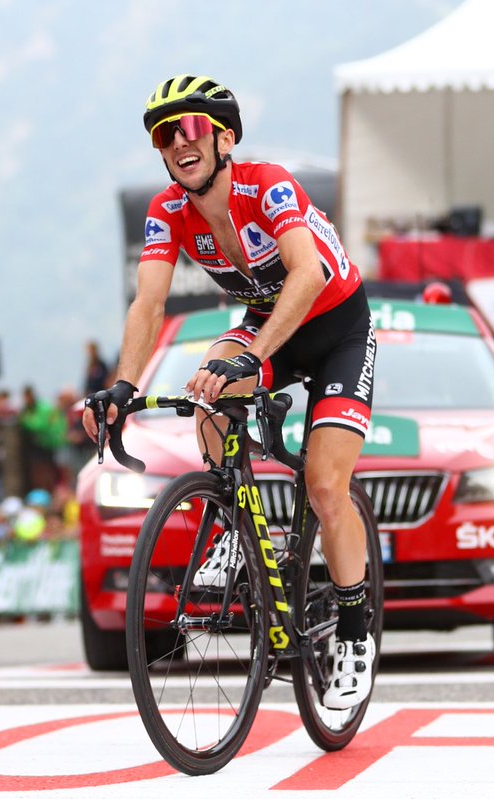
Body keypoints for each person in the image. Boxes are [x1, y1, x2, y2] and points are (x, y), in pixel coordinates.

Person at [83, 75, 377, 710]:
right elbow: (149, 302)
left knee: (326, 487)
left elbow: (307, 273)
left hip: (336, 327)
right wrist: (123, 385)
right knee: (209, 381)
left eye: (192, 127)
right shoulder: (167, 211)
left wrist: (255, 355)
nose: (178, 142)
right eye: (165, 135)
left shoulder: (266, 185)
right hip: (268, 322)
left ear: (224, 139)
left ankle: (355, 635)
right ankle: (234, 526)